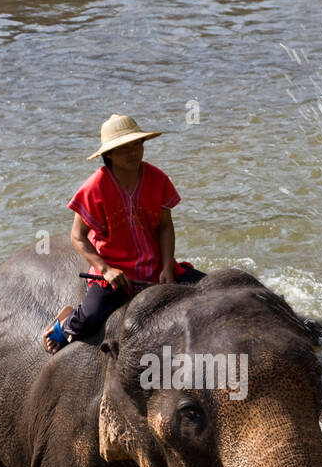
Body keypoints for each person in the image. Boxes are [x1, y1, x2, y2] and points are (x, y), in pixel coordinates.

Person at [42, 113, 204, 353]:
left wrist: (168, 266)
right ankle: (65, 322)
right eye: (124, 148)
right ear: (109, 154)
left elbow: (165, 226)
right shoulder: (95, 187)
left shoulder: (157, 178)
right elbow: (77, 236)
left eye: (137, 145)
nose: (133, 153)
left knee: (210, 288)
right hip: (116, 275)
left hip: (156, 267)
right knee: (91, 318)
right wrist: (106, 270)